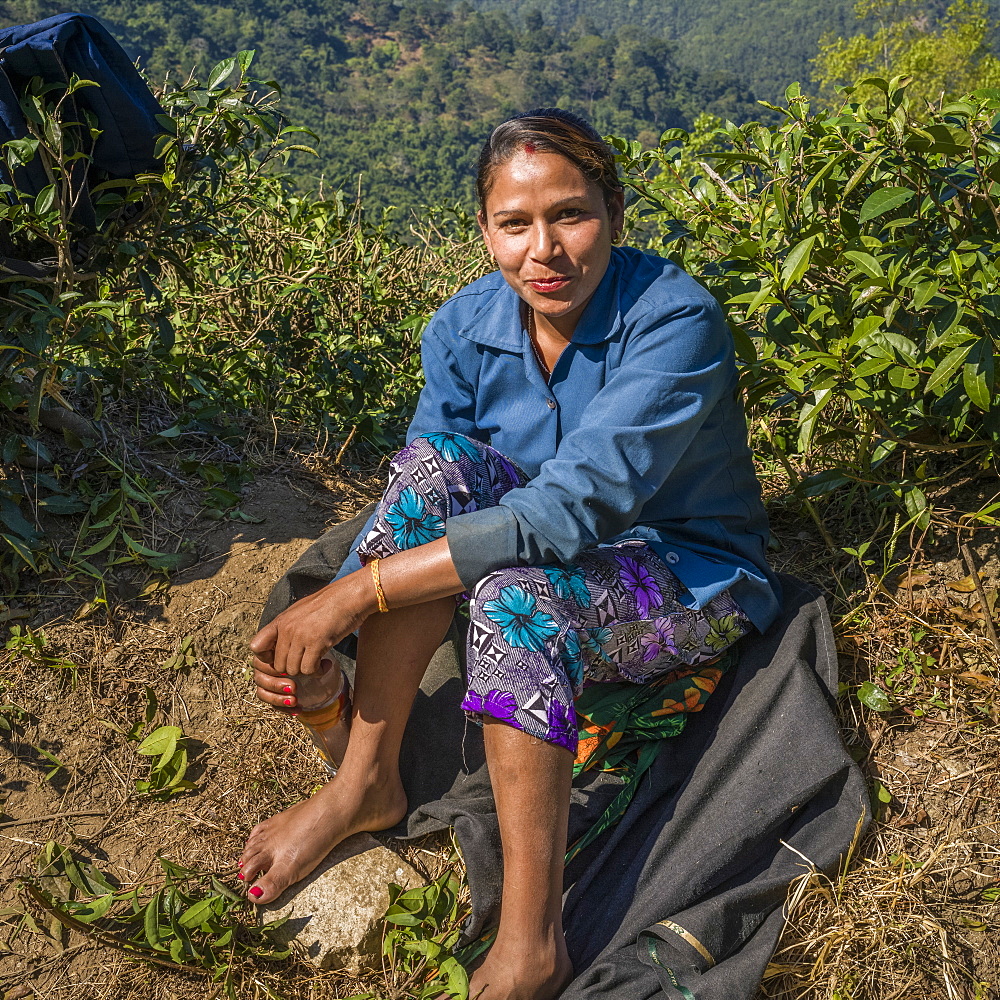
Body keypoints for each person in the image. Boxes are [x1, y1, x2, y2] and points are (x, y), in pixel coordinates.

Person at [239, 108, 780, 1000]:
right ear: (485, 231)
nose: (545, 251)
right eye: (515, 224)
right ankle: (365, 782)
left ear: (613, 211)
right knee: (432, 470)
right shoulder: (465, 326)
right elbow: (421, 492)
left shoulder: (673, 320)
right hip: (526, 544)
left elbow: (572, 512)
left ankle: (533, 942)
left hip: (686, 566)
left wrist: (352, 598)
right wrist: (328, 632)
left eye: (570, 215)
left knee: (515, 601)